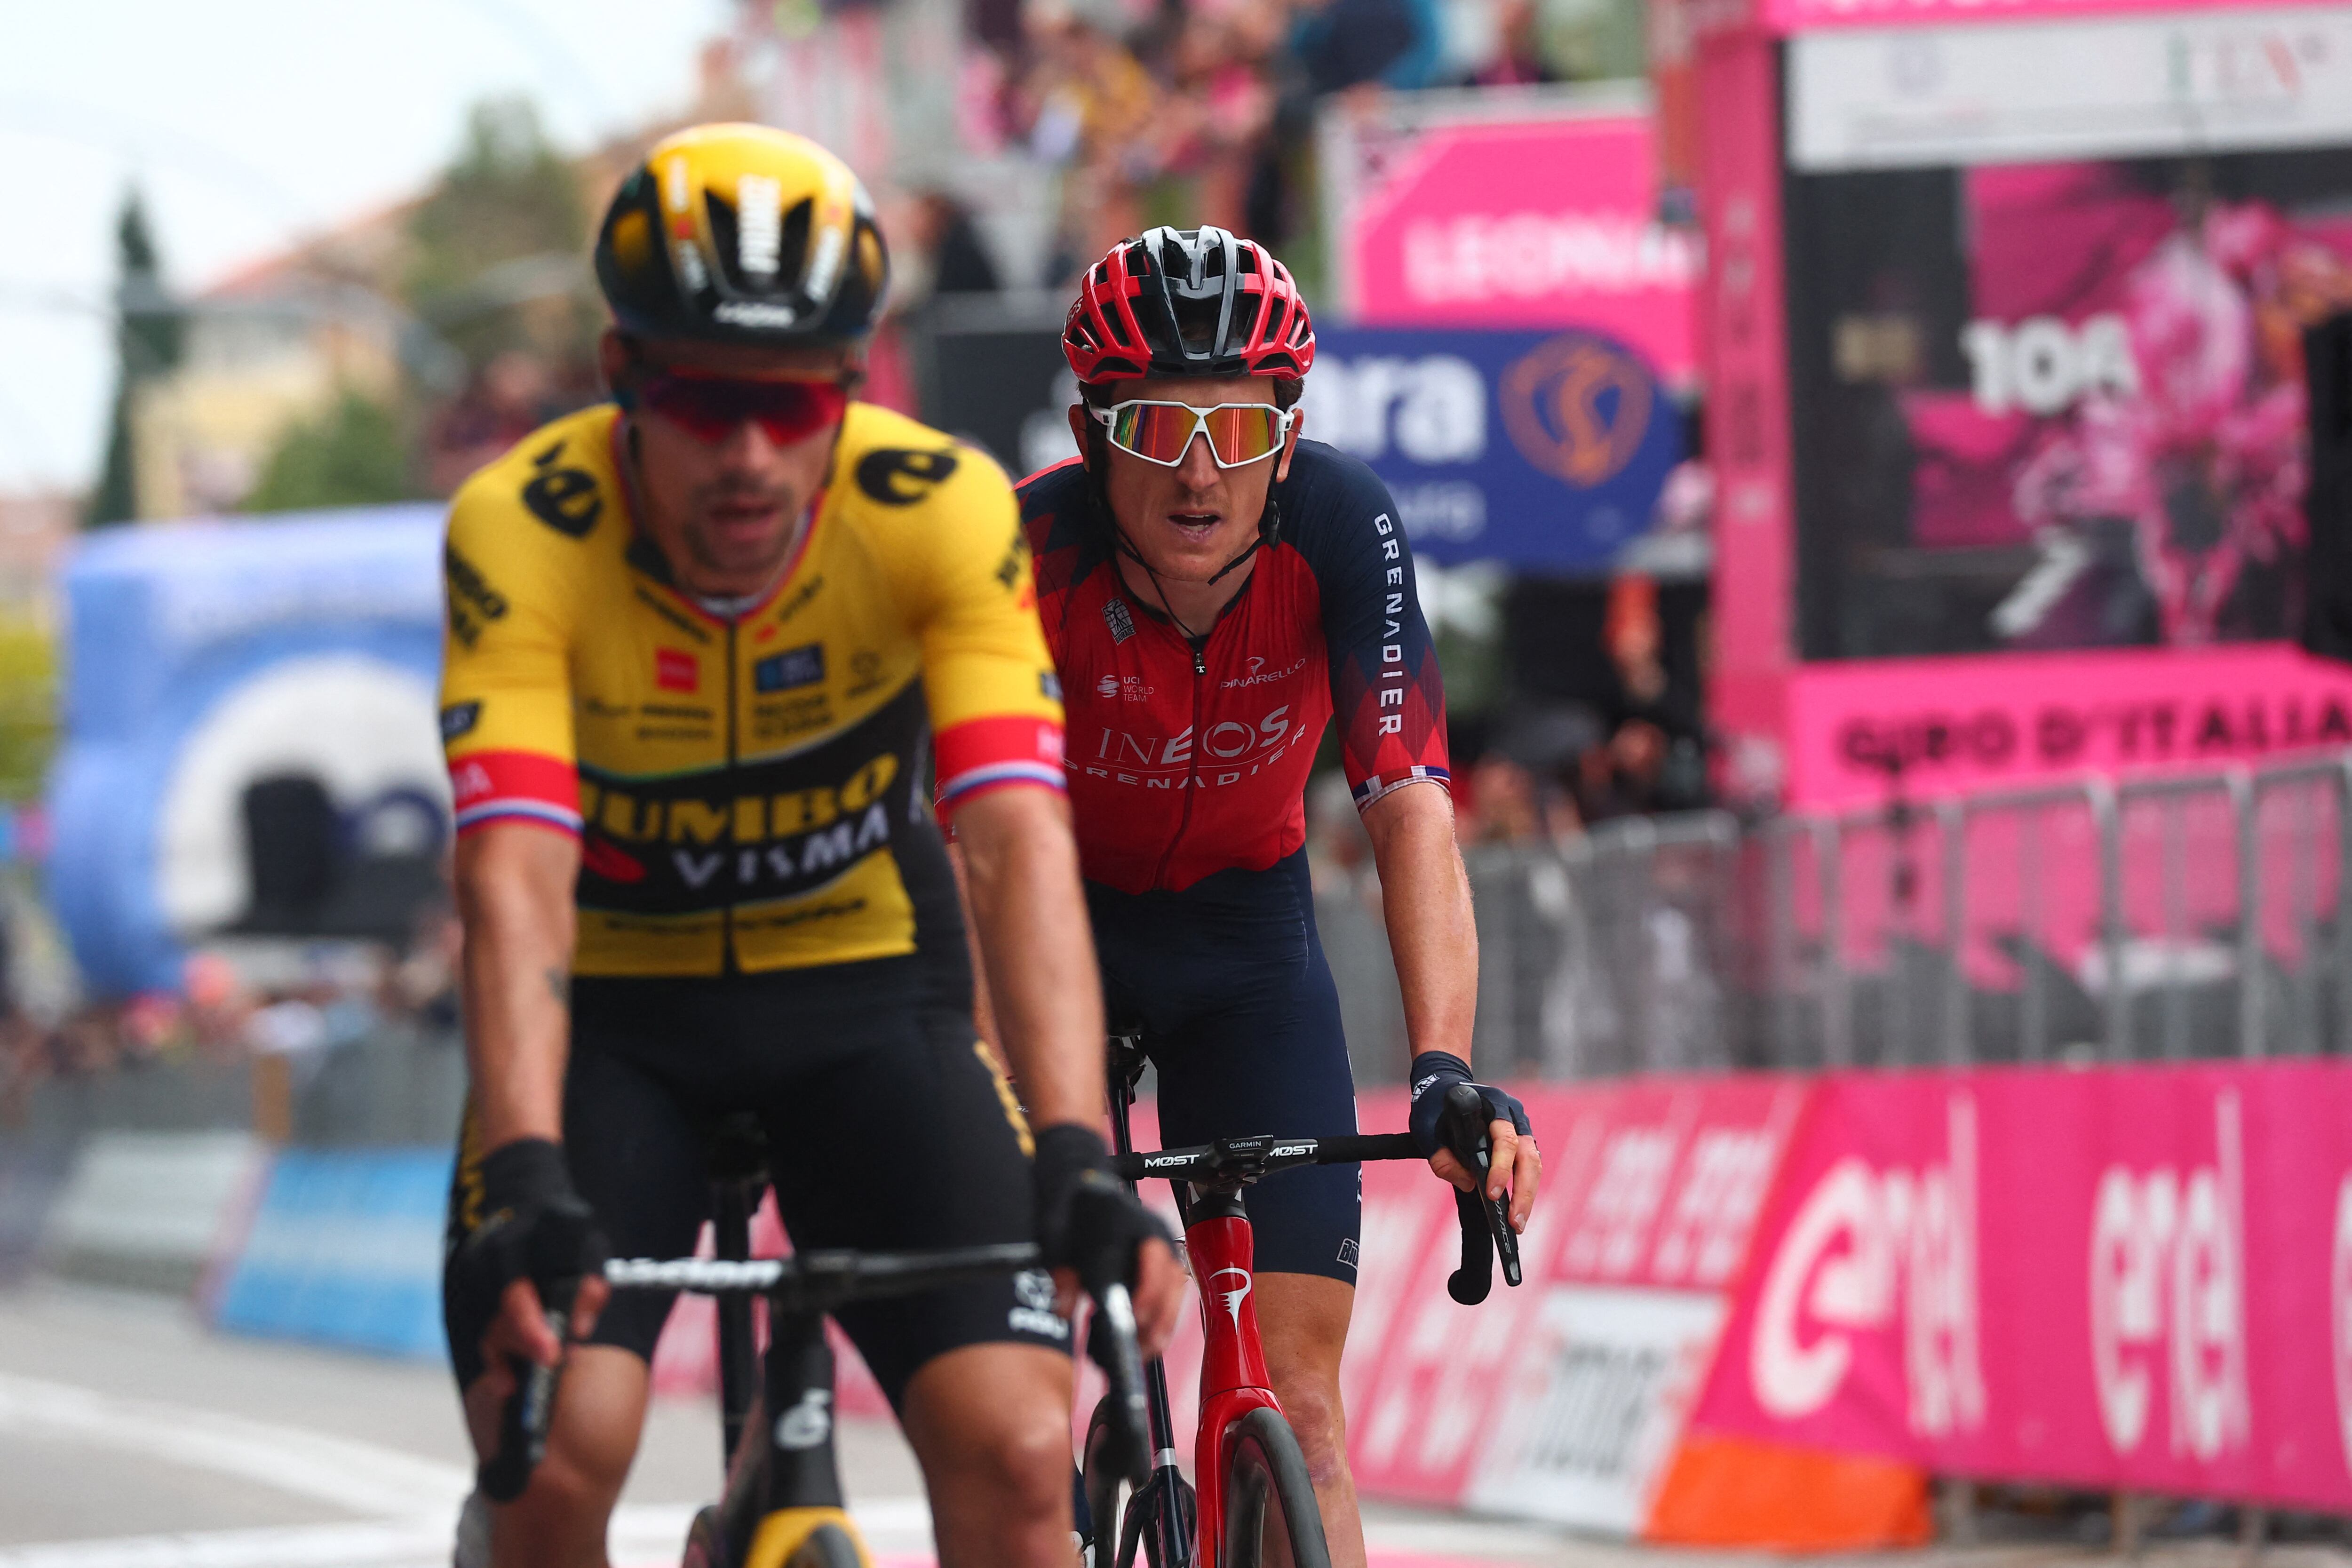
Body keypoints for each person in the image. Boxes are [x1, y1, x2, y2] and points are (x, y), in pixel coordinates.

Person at [436, 124, 1180, 1568]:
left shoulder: (938, 513)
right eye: (706, 404)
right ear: (620, 378)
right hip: (615, 1022)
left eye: (797, 407)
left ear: (855, 389)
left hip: (865, 997)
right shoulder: (523, 529)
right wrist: (526, 1169)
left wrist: (1082, 1154)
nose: (752, 457)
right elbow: (512, 868)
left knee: (1028, 1455)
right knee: (556, 1456)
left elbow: (1020, 843)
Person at [1016, 226, 1541, 1568]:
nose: (1202, 472)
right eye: (1159, 429)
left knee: (1301, 1416)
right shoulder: (1027, 551)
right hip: (1049, 940)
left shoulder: (1340, 523)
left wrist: (1445, 1070)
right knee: (1014, 1423)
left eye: (1241, 428)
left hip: (1246, 947)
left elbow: (1410, 802)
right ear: (1091, 434)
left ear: (1290, 434)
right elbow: (976, 846)